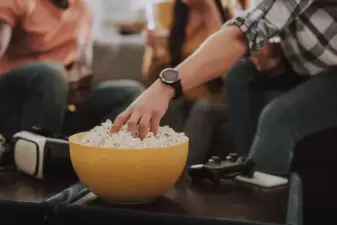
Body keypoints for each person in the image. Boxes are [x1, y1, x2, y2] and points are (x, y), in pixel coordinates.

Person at [112, 0, 337, 176]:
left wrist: (163, 87)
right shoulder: (168, 12)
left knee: (278, 118)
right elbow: (272, 24)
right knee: (241, 74)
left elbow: (240, 36)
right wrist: (276, 51)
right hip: (310, 66)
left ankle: (265, 208)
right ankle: (251, 168)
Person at [0, 0, 144, 139]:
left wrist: (79, 81)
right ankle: (35, 152)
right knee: (51, 73)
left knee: (131, 93)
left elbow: (82, 64)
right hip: (15, 102)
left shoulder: (82, 10)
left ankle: (89, 151)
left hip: (59, 104)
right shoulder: (19, 2)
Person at [142, 0, 233, 164]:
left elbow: (227, 69)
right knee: (170, 103)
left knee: (202, 109)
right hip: (181, 93)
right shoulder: (166, 10)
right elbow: (150, 75)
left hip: (215, 97)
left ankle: (179, 171)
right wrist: (154, 50)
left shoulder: (229, 13)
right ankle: (155, 165)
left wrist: (210, 9)